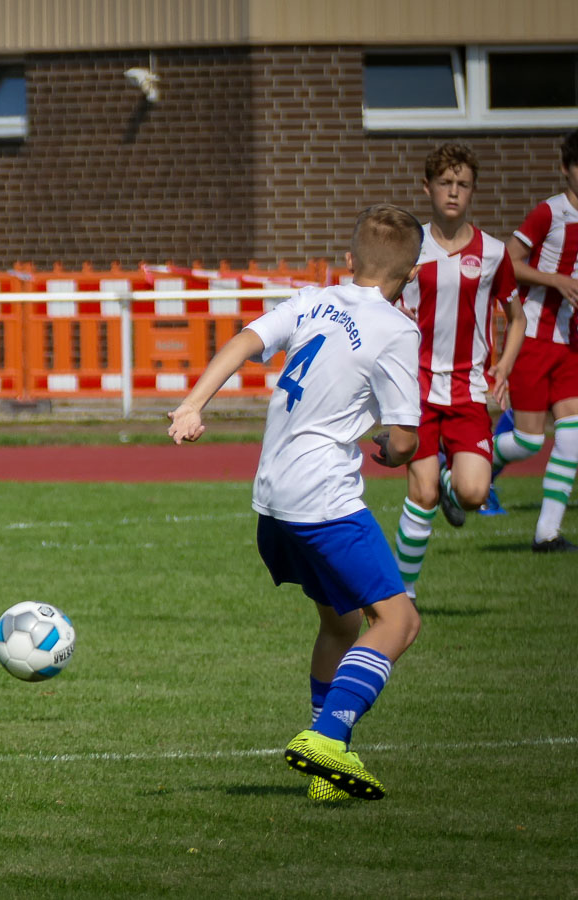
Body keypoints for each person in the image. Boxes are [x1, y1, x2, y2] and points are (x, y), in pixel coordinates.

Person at [167, 204, 425, 802]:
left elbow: (243, 341)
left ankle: (321, 771)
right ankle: (329, 738)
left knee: (341, 620)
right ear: (408, 277)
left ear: (349, 260)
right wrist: (387, 447)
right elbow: (404, 437)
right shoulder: (397, 329)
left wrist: (193, 404)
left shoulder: (313, 300)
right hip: (323, 499)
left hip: (272, 500)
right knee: (399, 621)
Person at [391, 143, 525, 598]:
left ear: (473, 191)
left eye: (462, 184)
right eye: (445, 183)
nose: (454, 192)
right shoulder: (409, 247)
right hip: (417, 388)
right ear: (426, 187)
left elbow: (517, 317)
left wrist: (503, 367)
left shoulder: (493, 252)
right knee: (422, 494)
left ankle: (453, 481)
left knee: (473, 494)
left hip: (469, 390)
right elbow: (382, 304)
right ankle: (401, 596)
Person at [485, 129, 578, 552]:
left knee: (574, 435)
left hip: (570, 345)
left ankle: (547, 533)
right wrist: (556, 279)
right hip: (534, 338)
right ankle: (465, 466)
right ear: (565, 169)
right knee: (527, 441)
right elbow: (510, 261)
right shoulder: (548, 214)